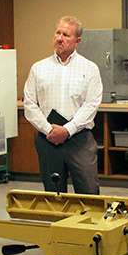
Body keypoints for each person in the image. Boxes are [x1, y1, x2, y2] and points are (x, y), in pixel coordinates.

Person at [23, 16, 103, 194]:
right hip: (48, 139)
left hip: (79, 139)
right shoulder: (39, 68)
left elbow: (91, 105)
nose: (60, 38)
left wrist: (67, 130)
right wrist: (49, 130)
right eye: (57, 33)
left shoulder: (89, 68)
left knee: (88, 193)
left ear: (77, 41)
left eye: (66, 35)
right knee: (54, 195)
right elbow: (29, 103)